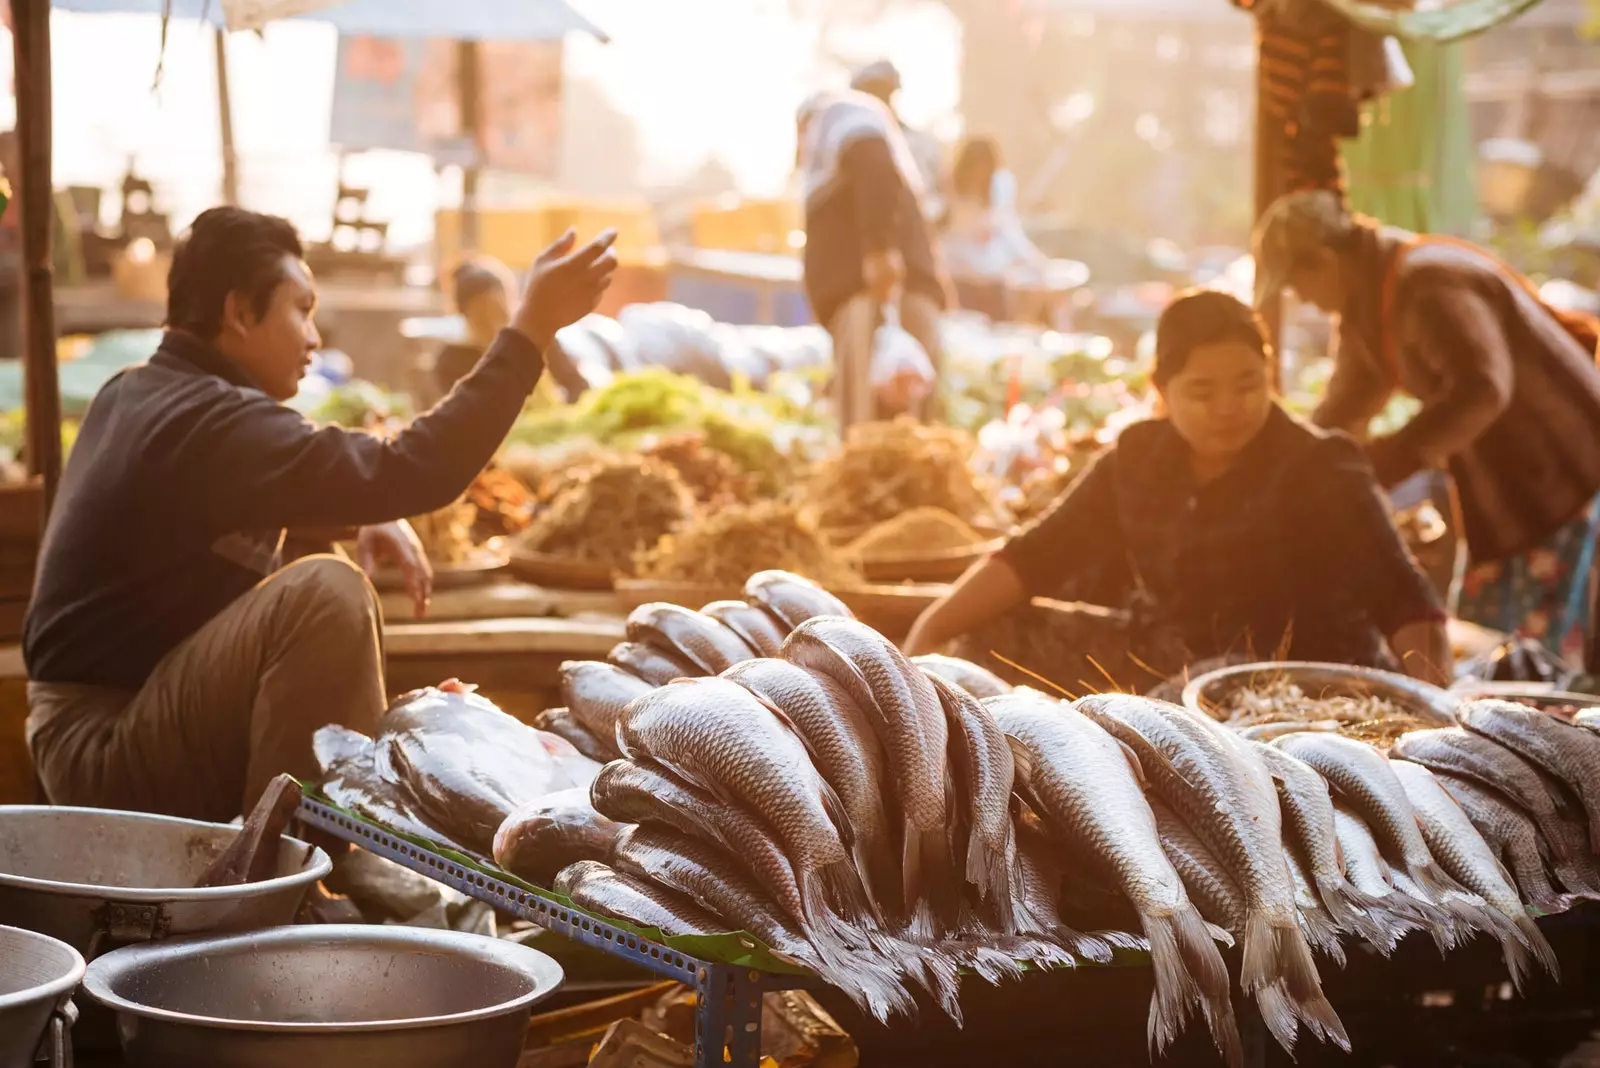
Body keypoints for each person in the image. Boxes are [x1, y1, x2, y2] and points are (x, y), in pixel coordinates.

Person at [23, 206, 617, 821]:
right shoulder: (208, 422)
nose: (314, 337)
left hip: (109, 725)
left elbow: (201, 512)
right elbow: (413, 469)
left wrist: (359, 514)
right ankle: (292, 876)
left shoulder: (143, 392)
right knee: (323, 593)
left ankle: (318, 847)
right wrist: (530, 333)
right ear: (238, 312)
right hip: (103, 749)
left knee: (313, 558)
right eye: (300, 310)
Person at [903, 288, 1450, 685]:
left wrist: (1428, 714)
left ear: (1270, 375)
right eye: (1202, 391)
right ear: (1163, 390)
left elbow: (1402, 596)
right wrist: (927, 633)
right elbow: (1037, 554)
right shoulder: (1138, 459)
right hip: (1174, 654)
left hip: (1304, 675)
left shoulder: (1321, 466)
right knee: (982, 639)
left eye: (1247, 384)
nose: (1228, 408)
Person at [1253, 189, 1600, 666]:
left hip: (1559, 474)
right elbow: (1344, 407)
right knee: (1486, 636)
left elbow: (1482, 390)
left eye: (1298, 284)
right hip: (1501, 489)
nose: (1305, 300)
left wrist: (1382, 465)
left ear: (1324, 259)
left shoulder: (1428, 283)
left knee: (1529, 656)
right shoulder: (1366, 303)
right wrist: (1288, 470)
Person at [797, 89, 950, 430]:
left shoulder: (837, 113)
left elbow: (872, 158)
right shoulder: (836, 152)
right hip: (883, 302)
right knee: (899, 440)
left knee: (873, 440)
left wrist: (879, 250)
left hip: (878, 302)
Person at [436, 255, 588, 404]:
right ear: (465, 315)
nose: (493, 323)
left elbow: (577, 387)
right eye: (483, 316)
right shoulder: (452, 360)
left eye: (499, 311)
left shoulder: (538, 340)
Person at [850, 60, 944, 214]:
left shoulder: (921, 145)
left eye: (882, 91)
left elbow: (938, 196)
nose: (878, 99)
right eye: (871, 92)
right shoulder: (849, 150)